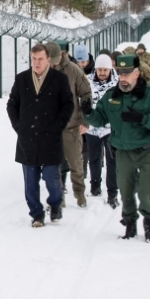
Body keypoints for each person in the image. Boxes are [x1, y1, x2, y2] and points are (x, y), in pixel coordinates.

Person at [83, 53, 150, 242]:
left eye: (127, 74)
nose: (123, 78)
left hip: (145, 151)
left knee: (147, 190)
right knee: (126, 190)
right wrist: (88, 113)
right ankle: (129, 224)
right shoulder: (112, 96)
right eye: (120, 74)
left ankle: (149, 222)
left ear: (137, 73)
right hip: (122, 152)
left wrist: (143, 119)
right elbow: (100, 118)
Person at [6, 41, 74, 226]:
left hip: (50, 138)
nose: (36, 63)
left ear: (48, 59)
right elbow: (12, 104)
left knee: (52, 179)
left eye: (40, 59)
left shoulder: (59, 79)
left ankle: (55, 205)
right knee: (30, 182)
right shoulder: (22, 79)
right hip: (27, 139)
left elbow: (68, 104)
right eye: (33, 59)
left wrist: (58, 125)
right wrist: (19, 126)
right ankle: (36, 214)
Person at [53, 42, 95, 207]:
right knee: (52, 165)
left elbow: (86, 93)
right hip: (52, 127)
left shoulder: (73, 70)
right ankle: (57, 199)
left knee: (76, 164)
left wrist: (85, 120)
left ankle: (80, 195)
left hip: (71, 126)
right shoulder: (43, 69)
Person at [84, 53, 119, 209]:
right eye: (100, 70)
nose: (103, 73)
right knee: (94, 158)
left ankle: (112, 192)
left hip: (110, 129)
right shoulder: (88, 83)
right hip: (92, 127)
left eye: (105, 70)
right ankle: (95, 186)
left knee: (112, 160)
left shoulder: (117, 84)